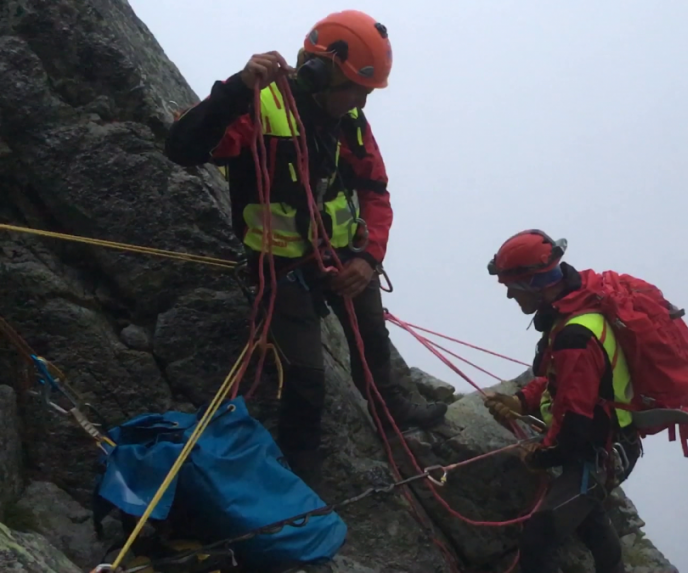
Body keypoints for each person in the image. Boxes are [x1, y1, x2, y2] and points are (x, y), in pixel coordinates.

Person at [163, 10, 447, 493]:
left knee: (373, 342)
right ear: (322, 70)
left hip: (343, 258)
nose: (361, 100)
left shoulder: (351, 121)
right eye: (357, 88)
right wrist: (234, 89)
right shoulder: (258, 107)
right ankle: (303, 469)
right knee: (306, 380)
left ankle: (389, 409)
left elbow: (375, 190)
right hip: (281, 266)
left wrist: (368, 258)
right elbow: (183, 147)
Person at [483, 229, 643, 573]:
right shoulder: (577, 311)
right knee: (588, 513)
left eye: (513, 286)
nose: (510, 295)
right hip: (610, 444)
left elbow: (573, 425)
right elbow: (560, 383)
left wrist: (540, 454)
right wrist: (520, 402)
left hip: (597, 452)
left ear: (535, 284)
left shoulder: (575, 335)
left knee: (537, 540)